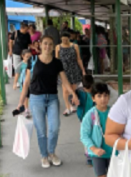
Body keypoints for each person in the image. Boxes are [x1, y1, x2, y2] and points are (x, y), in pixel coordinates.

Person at [17, 35, 79, 168]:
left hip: (52, 99)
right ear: (40, 45)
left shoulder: (57, 62)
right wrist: (21, 102)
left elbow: (64, 80)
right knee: (41, 130)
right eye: (45, 43)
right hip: (36, 99)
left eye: (50, 44)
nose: (48, 47)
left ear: (53, 46)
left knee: (54, 128)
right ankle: (44, 156)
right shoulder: (33, 60)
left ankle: (51, 152)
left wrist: (73, 94)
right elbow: (26, 82)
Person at [80, 83, 113, 177]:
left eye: (105, 95)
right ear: (93, 98)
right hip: (98, 154)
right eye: (99, 96)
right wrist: (93, 149)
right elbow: (84, 135)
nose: (103, 99)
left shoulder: (114, 112)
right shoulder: (90, 115)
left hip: (113, 153)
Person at [56, 32, 86, 116]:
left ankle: (71, 105)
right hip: (63, 71)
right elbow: (56, 60)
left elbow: (79, 59)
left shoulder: (74, 46)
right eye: (63, 39)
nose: (64, 41)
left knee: (72, 89)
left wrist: (83, 70)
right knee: (65, 89)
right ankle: (67, 107)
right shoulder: (58, 47)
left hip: (74, 69)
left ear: (69, 38)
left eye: (66, 39)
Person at [13, 49, 33, 117]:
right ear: (23, 56)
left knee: (32, 96)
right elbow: (17, 75)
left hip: (32, 83)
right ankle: (26, 109)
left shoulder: (32, 63)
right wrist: (15, 83)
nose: (29, 58)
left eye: (30, 57)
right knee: (25, 97)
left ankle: (32, 108)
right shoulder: (20, 65)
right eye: (27, 57)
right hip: (23, 84)